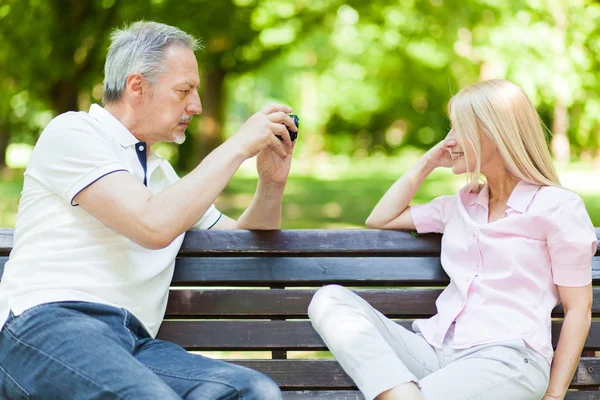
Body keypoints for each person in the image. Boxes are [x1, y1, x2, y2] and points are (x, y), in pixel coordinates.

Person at [0, 21, 297, 399]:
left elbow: (241, 246)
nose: (197, 105)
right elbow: (151, 224)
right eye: (184, 91)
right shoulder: (73, 133)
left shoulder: (165, 178)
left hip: (131, 343)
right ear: (137, 86)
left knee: (253, 391)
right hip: (46, 328)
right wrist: (237, 146)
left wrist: (271, 184)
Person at [308, 79, 597, 400]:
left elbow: (578, 309)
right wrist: (427, 163)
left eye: (458, 128)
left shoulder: (557, 207)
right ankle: (400, 394)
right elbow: (380, 218)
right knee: (329, 299)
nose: (448, 140)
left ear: (493, 133)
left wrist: (554, 395)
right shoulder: (460, 205)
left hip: (507, 358)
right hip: (433, 352)